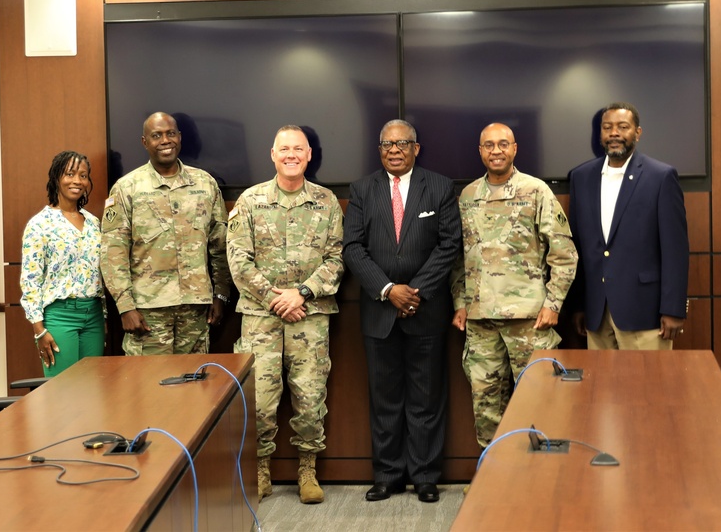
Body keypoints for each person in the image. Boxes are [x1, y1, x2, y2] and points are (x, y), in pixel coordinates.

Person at [342, 120, 461, 504]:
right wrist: (388, 290)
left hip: (426, 312)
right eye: (387, 143)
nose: (394, 149)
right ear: (379, 149)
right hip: (379, 311)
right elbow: (353, 248)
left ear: (416, 148)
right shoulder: (362, 190)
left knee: (427, 398)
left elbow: (449, 245)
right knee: (385, 399)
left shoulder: (440, 187)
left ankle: (425, 476)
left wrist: (414, 293)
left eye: (402, 143)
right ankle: (388, 475)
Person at [226, 125, 344, 505]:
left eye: (298, 149)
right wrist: (274, 298)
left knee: (310, 396)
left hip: (310, 314)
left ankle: (307, 471)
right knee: (260, 398)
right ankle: (260, 469)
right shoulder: (249, 200)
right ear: (272, 154)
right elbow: (237, 258)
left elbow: (337, 258)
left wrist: (301, 293)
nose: (291, 154)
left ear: (309, 155)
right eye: (284, 149)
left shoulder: (326, 202)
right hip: (261, 316)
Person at [452, 122, 577, 448]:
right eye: (489, 145)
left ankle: (539, 481)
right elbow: (458, 259)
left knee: (540, 401)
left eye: (503, 144)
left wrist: (553, 304)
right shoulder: (467, 196)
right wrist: (460, 304)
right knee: (486, 405)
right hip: (481, 323)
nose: (496, 151)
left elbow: (564, 253)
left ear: (515, 149)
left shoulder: (536, 191)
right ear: (480, 151)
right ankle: (494, 477)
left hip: (530, 321)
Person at [100, 111, 231, 356]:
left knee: (194, 386)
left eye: (170, 133)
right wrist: (125, 306)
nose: (165, 140)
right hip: (147, 310)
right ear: (145, 142)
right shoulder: (127, 188)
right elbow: (113, 252)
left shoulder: (205, 184)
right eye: (156, 135)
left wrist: (221, 294)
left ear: (180, 137)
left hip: (195, 307)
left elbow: (220, 246)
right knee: (148, 388)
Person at [567, 102, 689, 350]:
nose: (614, 133)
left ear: (637, 133)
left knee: (648, 388)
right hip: (596, 314)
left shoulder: (661, 177)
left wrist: (674, 309)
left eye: (623, 127)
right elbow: (577, 247)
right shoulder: (581, 178)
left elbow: (675, 250)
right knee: (600, 388)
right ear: (599, 134)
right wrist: (579, 305)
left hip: (645, 314)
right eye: (607, 127)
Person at [20, 150, 105, 377]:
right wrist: (38, 329)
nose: (77, 181)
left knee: (94, 391)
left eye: (83, 175)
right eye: (70, 174)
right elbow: (30, 280)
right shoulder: (40, 224)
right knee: (62, 396)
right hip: (59, 317)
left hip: (94, 315)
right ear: (56, 178)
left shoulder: (94, 223)